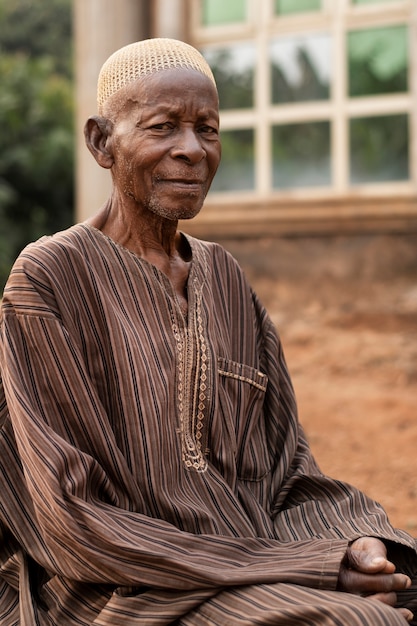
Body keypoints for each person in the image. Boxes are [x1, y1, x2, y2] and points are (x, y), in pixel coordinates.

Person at [0, 37, 416, 626]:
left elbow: (288, 469)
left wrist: (352, 544)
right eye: (163, 127)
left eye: (208, 129)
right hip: (126, 585)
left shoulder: (225, 279)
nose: (191, 150)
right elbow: (69, 511)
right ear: (101, 142)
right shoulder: (49, 280)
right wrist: (306, 566)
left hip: (258, 564)